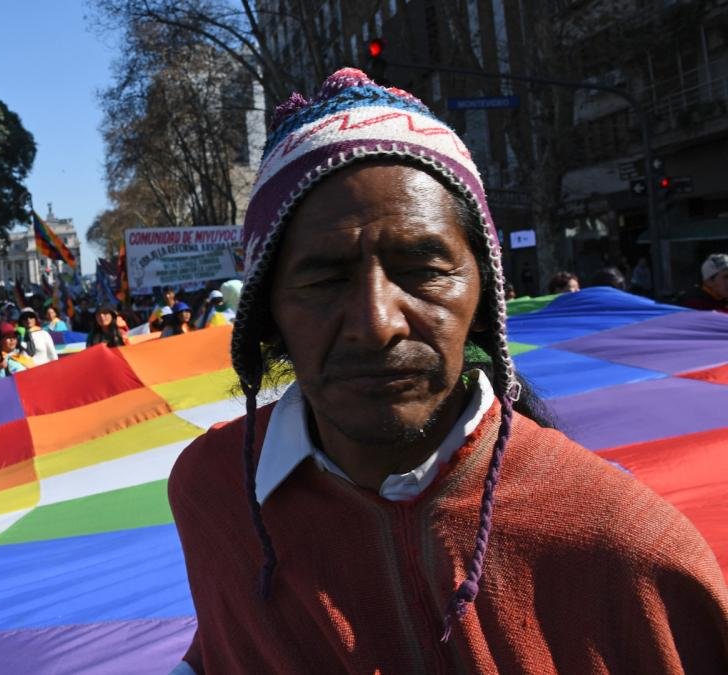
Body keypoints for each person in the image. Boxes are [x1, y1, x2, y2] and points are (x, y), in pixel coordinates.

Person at [167, 69, 728, 673]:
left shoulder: (625, 544)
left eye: (421, 270)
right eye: (325, 278)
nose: (378, 324)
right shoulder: (214, 493)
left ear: (484, 298)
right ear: (266, 313)